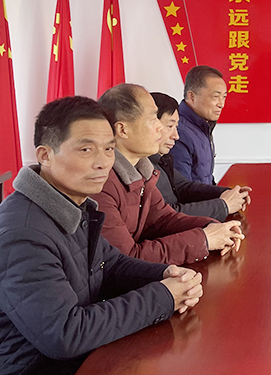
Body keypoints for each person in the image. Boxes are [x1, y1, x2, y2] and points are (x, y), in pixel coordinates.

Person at [0, 96, 203, 375]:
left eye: (109, 149)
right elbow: (66, 334)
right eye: (86, 149)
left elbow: (110, 265)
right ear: (45, 156)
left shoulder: (72, 204)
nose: (103, 163)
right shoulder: (22, 234)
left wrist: (166, 275)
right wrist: (163, 297)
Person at [95, 84, 244, 265]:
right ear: (122, 130)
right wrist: (204, 239)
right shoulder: (101, 183)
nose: (160, 127)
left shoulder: (142, 170)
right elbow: (126, 259)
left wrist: (212, 227)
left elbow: (164, 219)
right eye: (153, 119)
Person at [150, 92, 250, 220]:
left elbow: (183, 187)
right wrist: (223, 205)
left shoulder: (160, 158)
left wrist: (227, 193)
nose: (176, 136)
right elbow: (166, 215)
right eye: (170, 126)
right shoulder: (140, 165)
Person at [171, 65, 226, 185]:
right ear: (191, 96)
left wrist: (223, 193)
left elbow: (205, 178)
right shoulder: (179, 132)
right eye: (216, 97)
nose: (221, 104)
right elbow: (182, 189)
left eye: (224, 97)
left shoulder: (203, 126)